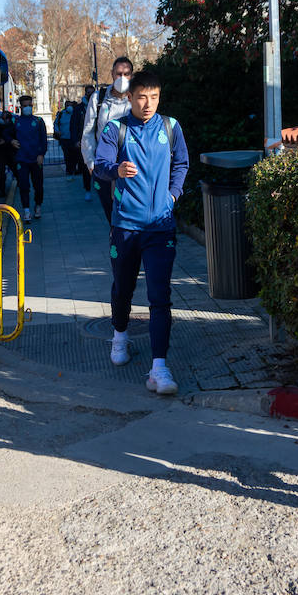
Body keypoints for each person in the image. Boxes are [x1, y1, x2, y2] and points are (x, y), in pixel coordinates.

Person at [92, 71, 189, 395]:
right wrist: (115, 170)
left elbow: (182, 165)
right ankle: (119, 336)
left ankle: (159, 368)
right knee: (123, 289)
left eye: (154, 97)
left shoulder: (170, 127)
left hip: (160, 227)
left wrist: (173, 195)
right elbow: (98, 166)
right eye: (142, 97)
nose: (148, 104)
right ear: (130, 98)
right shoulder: (115, 129)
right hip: (125, 227)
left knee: (160, 297)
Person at [81, 57, 134, 219]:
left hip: (131, 166)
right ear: (112, 74)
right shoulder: (98, 99)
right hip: (105, 168)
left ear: (132, 75)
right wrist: (91, 163)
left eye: (127, 74)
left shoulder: (137, 98)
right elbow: (88, 132)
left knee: (130, 214)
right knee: (111, 215)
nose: (123, 78)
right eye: (119, 74)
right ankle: (116, 242)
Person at [12, 94, 47, 221]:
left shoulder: (38, 121)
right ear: (20, 107)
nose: (27, 108)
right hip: (22, 159)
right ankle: (26, 210)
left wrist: (41, 154)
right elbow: (5, 133)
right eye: (25, 106)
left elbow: (44, 140)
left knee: (38, 185)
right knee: (24, 186)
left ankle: (38, 205)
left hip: (36, 159)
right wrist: (11, 140)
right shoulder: (15, 121)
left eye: (30, 106)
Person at [71, 86, 92, 199]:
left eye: (92, 93)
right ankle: (87, 189)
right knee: (85, 166)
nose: (90, 95)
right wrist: (75, 140)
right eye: (88, 93)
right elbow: (73, 125)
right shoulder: (79, 109)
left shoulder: (99, 106)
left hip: (97, 140)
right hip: (83, 141)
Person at [54, 98, 78, 178]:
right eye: (67, 105)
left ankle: (74, 169)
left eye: (70, 105)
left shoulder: (75, 114)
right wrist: (57, 131)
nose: (69, 107)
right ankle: (69, 170)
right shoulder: (61, 114)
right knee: (67, 156)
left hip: (73, 139)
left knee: (74, 155)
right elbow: (56, 124)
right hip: (64, 139)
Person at [0, 109, 16, 195]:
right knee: (1, 172)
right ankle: (2, 190)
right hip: (1, 152)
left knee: (14, 168)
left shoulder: (12, 126)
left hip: (10, 151)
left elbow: (14, 138)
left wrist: (6, 141)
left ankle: (21, 183)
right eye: (2, 118)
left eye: (5, 118)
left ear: (9, 119)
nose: (3, 120)